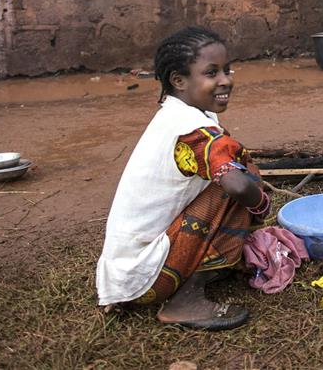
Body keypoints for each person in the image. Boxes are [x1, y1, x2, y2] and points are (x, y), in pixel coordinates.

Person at [96, 27, 268, 330]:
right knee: (241, 183)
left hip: (127, 270)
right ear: (178, 80)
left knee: (238, 172)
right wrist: (261, 204)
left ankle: (209, 265)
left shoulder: (179, 113)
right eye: (211, 73)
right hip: (146, 278)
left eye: (227, 70)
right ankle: (183, 301)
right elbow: (237, 185)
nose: (225, 80)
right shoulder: (190, 129)